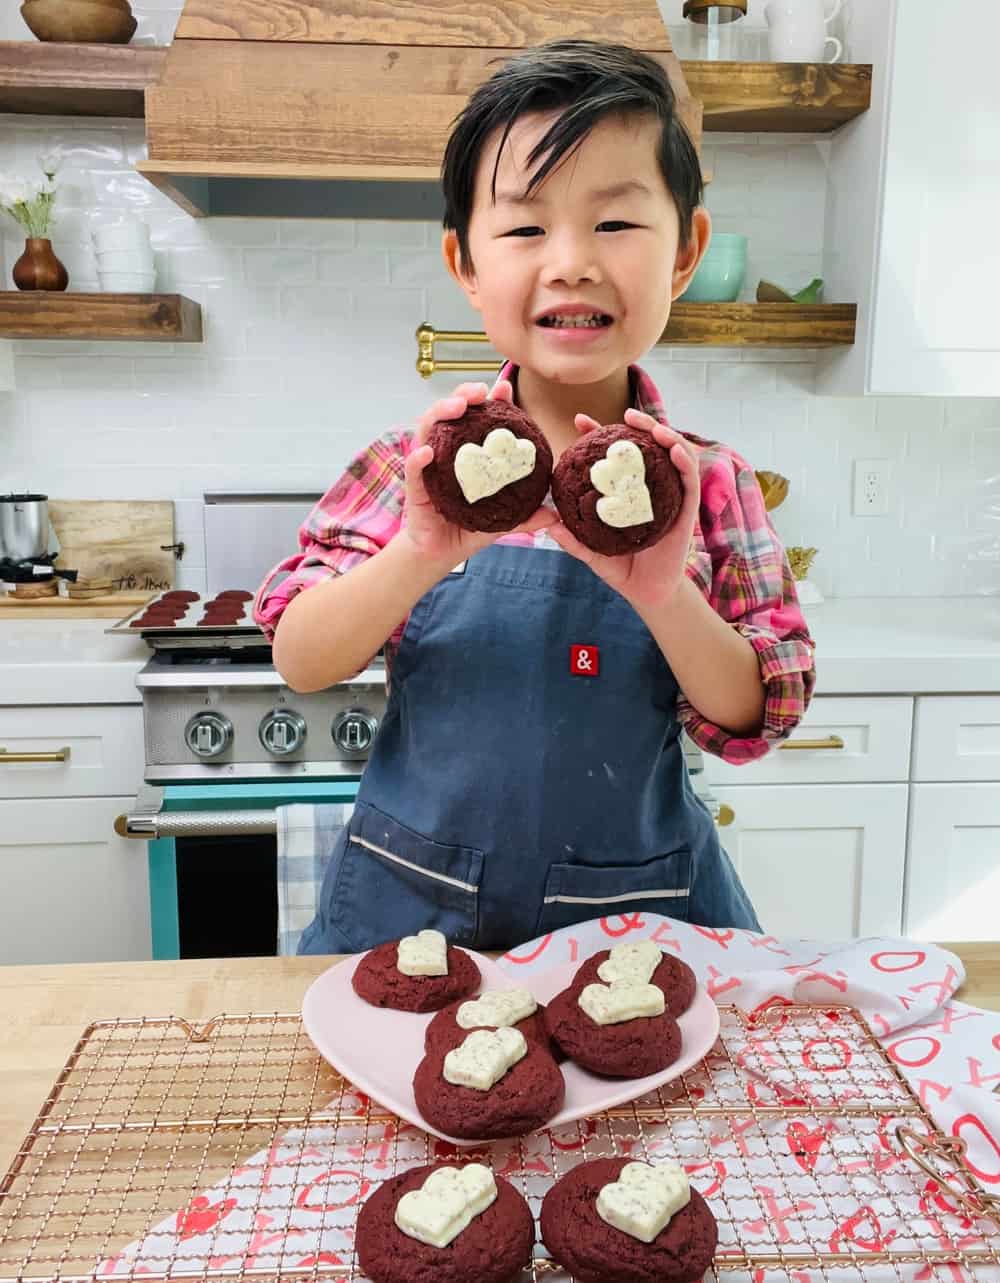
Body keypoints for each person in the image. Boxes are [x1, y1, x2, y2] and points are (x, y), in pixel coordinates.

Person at [254, 39, 816, 955]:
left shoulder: (712, 482)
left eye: (616, 224)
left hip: (636, 929)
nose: (570, 263)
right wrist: (420, 554)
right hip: (413, 921)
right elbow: (301, 657)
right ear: (465, 264)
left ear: (686, 252)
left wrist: (661, 591)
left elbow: (760, 712)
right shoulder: (410, 467)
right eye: (523, 229)